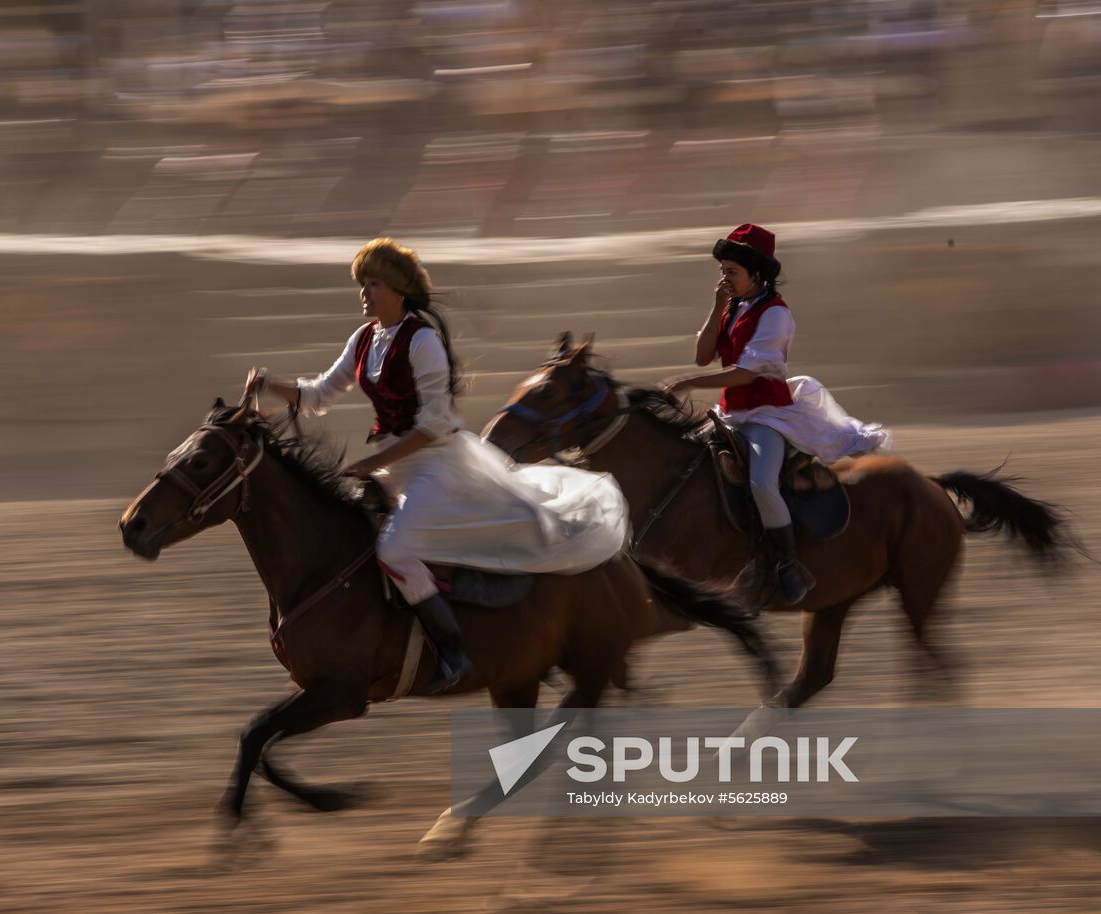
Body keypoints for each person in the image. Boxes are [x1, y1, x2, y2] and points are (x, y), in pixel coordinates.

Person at [249, 238, 629, 693]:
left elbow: (434, 427)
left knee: (394, 551)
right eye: (362, 284)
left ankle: (453, 651)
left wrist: (375, 461)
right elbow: (319, 394)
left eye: (372, 283)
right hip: (396, 465)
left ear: (398, 289)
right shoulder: (365, 338)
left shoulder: (422, 341)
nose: (363, 293)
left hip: (434, 464)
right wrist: (270, 384)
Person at [661, 224, 890, 605]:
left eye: (731, 272)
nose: (724, 278)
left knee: (761, 483)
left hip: (767, 415)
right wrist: (717, 307)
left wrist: (688, 382)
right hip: (731, 412)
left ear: (757, 274)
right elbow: (703, 355)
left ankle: (787, 564)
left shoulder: (775, 315)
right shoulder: (733, 307)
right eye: (723, 271)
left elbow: (747, 373)